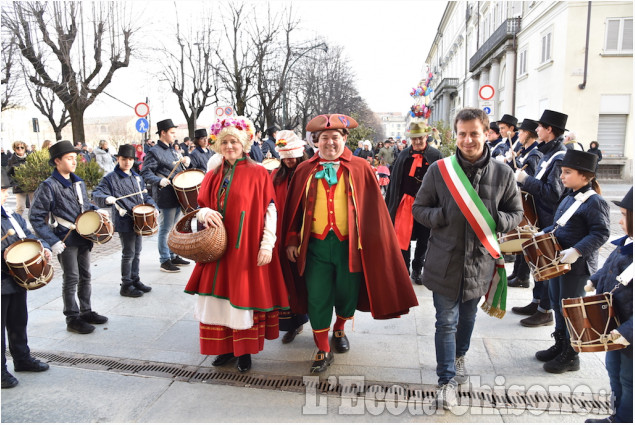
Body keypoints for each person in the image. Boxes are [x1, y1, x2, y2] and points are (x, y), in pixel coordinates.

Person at [282, 113, 418, 374]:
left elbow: (373, 211)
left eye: (335, 137)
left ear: (345, 139)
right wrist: (291, 240)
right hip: (315, 248)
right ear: (315, 141)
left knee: (346, 295)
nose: (330, 143)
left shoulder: (360, 167)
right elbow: (294, 210)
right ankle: (322, 348)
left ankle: (340, 328)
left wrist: (376, 244)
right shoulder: (304, 170)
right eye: (324, 138)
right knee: (318, 298)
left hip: (350, 248)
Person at [412, 108, 523, 410]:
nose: (468, 140)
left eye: (474, 133)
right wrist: (444, 215)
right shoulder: (440, 170)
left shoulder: (503, 173)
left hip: (480, 262)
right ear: (455, 135)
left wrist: (496, 220)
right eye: (462, 134)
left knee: (467, 319)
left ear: (487, 133)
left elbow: (517, 213)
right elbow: (419, 209)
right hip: (443, 262)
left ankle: (459, 356)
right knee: (445, 321)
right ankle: (446, 380)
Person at [184, 116, 289, 373]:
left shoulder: (258, 173)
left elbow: (270, 210)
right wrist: (204, 213)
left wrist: (267, 244)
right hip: (216, 249)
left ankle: (244, 352)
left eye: (234, 141)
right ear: (219, 145)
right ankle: (225, 349)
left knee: (242, 299)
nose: (230, 146)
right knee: (219, 301)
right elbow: (200, 205)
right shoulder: (213, 174)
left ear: (244, 144)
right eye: (225, 142)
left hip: (245, 249)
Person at [535, 150, 610, 373]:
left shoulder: (595, 201)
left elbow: (601, 233)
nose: (562, 177)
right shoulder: (569, 196)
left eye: (567, 172)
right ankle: (560, 344)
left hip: (577, 266)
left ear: (585, 176)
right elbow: (560, 226)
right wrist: (542, 232)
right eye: (562, 172)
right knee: (558, 304)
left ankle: (571, 355)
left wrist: (577, 250)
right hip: (560, 262)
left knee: (572, 309)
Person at [29, 140, 108, 334]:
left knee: (85, 275)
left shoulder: (77, 181)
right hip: (64, 238)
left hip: (83, 236)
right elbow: (36, 217)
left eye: (75, 158)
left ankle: (86, 311)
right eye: (69, 158)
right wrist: (52, 241)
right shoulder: (48, 186)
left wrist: (96, 210)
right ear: (57, 161)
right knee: (71, 277)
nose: (74, 162)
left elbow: (84, 206)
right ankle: (72, 317)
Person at [512, 109, 569, 327]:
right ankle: (537, 302)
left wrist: (526, 180)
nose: (536, 130)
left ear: (550, 130)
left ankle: (545, 310)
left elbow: (552, 193)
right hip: (540, 217)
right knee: (537, 264)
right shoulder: (548, 152)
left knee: (546, 265)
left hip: (549, 218)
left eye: (540, 127)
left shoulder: (559, 156)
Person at [584, 187, 632, 424]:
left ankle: (626, 418)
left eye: (625, 216)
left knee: (629, 379)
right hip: (616, 326)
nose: (621, 221)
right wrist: (595, 280)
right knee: (614, 372)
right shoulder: (628, 243)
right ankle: (617, 416)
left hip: (628, 332)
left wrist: (625, 332)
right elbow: (608, 266)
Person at [1, 169, 51, 389]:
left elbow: (29, 237)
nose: (3, 194)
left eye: (3, 190)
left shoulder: (12, 216)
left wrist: (43, 248)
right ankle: (1, 371)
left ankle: (22, 359)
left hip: (16, 280)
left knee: (18, 322)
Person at [92, 144, 158, 298]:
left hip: (139, 220)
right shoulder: (110, 178)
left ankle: (135, 279)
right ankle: (126, 284)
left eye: (130, 159)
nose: (127, 162)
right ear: (118, 159)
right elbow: (97, 193)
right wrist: (106, 198)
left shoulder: (137, 177)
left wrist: (153, 206)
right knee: (128, 253)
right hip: (124, 220)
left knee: (137, 252)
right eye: (123, 159)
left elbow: (145, 195)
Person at [385, 121, 442, 286]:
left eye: (421, 138)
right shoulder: (403, 155)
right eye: (414, 138)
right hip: (406, 202)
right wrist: (391, 205)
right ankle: (404, 269)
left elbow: (442, 181)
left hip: (427, 204)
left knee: (424, 238)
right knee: (403, 238)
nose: (417, 142)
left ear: (426, 137)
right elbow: (395, 183)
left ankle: (418, 269)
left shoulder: (435, 155)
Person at [270, 130, 310, 344]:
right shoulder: (275, 176)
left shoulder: (310, 172)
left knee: (310, 283)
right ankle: (294, 323)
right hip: (282, 237)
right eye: (285, 157)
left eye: (292, 155)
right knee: (288, 283)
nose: (289, 160)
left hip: (308, 236)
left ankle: (324, 326)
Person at [141, 119, 191, 273]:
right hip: (165, 193)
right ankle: (164, 260)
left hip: (177, 192)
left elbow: (176, 168)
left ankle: (172, 254)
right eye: (172, 132)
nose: (174, 135)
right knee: (165, 228)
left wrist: (184, 162)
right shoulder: (154, 151)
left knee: (174, 227)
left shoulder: (171, 149)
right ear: (163, 133)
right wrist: (159, 180)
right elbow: (145, 172)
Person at [507, 119, 543, 289]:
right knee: (521, 240)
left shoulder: (535, 154)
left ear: (529, 134)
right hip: (519, 198)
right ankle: (517, 273)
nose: (518, 135)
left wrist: (519, 168)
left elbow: (530, 176)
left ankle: (523, 275)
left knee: (525, 238)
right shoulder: (525, 150)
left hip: (529, 203)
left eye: (521, 132)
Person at [7, 141, 34, 218]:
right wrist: (14, 184)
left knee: (34, 206)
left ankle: (38, 224)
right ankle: (18, 224)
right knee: (20, 207)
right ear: (14, 149)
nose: (20, 149)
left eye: (22, 147)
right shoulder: (11, 160)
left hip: (31, 185)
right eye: (17, 147)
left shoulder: (31, 157)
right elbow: (9, 174)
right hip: (19, 186)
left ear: (25, 148)